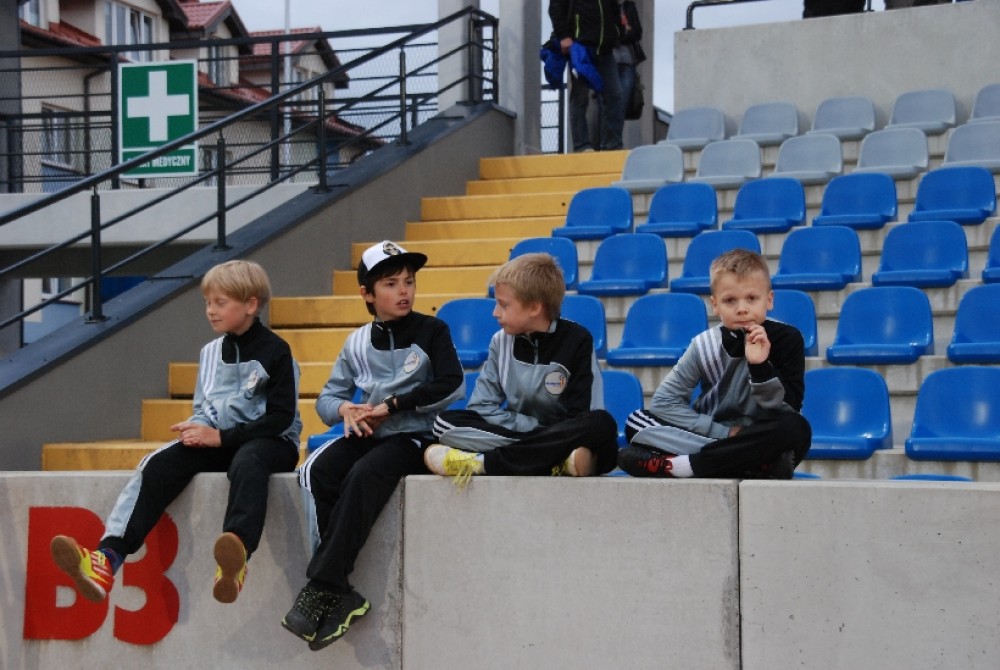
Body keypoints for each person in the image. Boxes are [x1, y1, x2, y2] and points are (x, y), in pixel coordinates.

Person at [50, 260, 302, 605]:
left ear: (251, 304)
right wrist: (196, 428)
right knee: (159, 463)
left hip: (272, 442)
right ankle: (107, 559)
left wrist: (221, 438)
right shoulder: (209, 353)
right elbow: (204, 407)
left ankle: (235, 557)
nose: (210, 310)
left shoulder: (277, 351)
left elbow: (281, 418)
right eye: (207, 302)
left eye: (220, 302)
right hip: (220, 440)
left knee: (248, 460)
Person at [283, 240, 464, 651]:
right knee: (314, 471)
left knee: (364, 474)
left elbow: (451, 384)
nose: (404, 291)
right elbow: (326, 400)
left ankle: (321, 585)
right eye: (391, 284)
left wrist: (392, 406)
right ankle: (339, 590)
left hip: (414, 436)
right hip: (368, 434)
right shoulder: (356, 343)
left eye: (409, 282)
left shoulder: (433, 330)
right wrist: (345, 408)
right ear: (367, 294)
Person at [618, 249, 811, 479]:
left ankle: (684, 466)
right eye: (730, 300)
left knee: (796, 428)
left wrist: (760, 367)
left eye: (752, 298)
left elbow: (788, 409)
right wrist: (726, 433)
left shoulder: (788, 339)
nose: (742, 308)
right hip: (717, 435)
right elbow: (664, 402)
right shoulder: (704, 344)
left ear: (769, 300)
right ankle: (752, 464)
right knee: (636, 422)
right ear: (715, 305)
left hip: (762, 435)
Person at [426, 252, 618, 481]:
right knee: (444, 423)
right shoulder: (500, 341)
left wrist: (553, 433)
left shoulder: (578, 340)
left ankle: (483, 462)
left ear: (534, 308)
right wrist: (536, 430)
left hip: (566, 431)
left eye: (503, 305)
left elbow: (582, 415)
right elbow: (481, 407)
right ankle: (556, 460)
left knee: (601, 424)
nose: (495, 313)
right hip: (547, 437)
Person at [549, 0, 625, 152]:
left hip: (605, 51)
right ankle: (581, 145)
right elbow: (556, 6)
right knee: (580, 97)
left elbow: (613, 8)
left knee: (614, 95)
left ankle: (612, 145)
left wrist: (617, 31)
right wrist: (563, 36)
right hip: (581, 49)